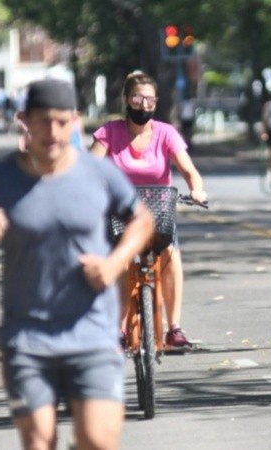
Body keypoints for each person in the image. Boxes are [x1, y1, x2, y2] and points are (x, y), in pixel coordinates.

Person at [0, 78, 155, 450]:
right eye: (43, 121)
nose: (53, 131)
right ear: (25, 120)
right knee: (39, 442)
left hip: (93, 334)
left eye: (63, 121)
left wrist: (113, 265)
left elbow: (142, 220)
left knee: (97, 440)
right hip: (27, 339)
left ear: (75, 121)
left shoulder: (99, 174)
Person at [90, 71, 207, 354]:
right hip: (120, 213)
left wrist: (197, 189)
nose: (144, 105)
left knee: (170, 253)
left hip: (158, 211)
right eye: (138, 98)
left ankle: (174, 328)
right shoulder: (109, 132)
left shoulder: (166, 133)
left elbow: (189, 171)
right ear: (126, 100)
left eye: (150, 100)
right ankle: (117, 329)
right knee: (120, 257)